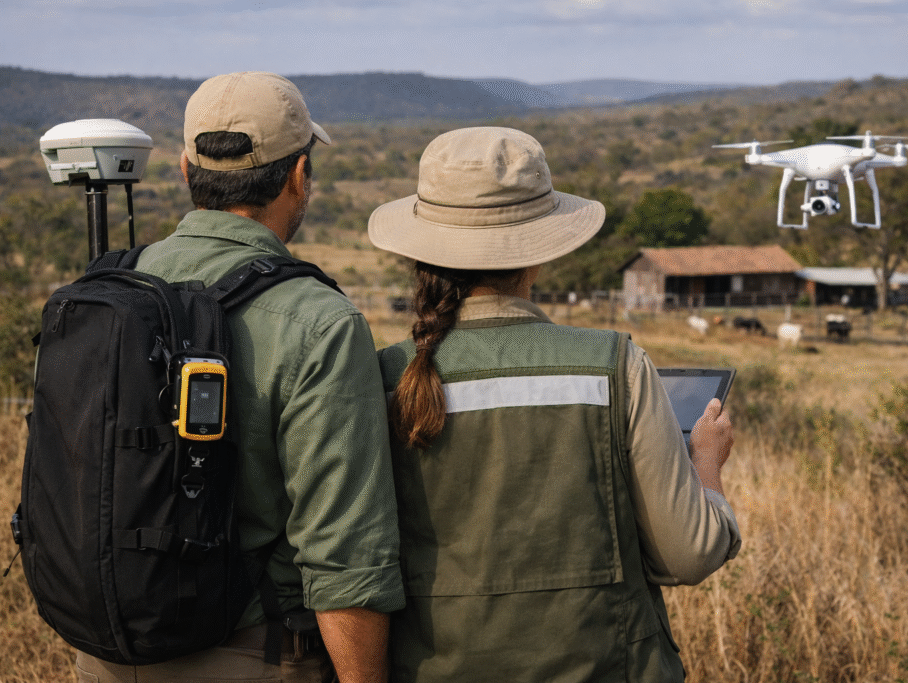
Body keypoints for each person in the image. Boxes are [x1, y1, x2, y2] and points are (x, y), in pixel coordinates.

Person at [369, 126, 741, 682]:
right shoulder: (618, 365)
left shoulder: (382, 376)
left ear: (422, 251)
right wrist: (705, 460)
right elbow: (689, 554)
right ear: (538, 254)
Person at [74, 72, 404, 683]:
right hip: (252, 653)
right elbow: (345, 559)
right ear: (299, 175)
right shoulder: (319, 322)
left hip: (102, 651)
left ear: (184, 170)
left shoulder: (106, 292)